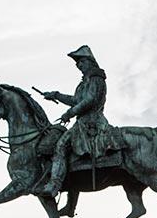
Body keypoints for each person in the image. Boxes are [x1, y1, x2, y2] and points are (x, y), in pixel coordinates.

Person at [40, 45, 111, 197]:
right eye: (78, 65)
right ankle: (70, 203)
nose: (79, 67)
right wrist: (56, 95)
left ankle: (54, 184)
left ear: (89, 62)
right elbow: (76, 100)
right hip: (83, 122)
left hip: (92, 121)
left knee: (60, 146)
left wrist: (70, 113)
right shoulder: (84, 82)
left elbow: (90, 100)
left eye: (81, 63)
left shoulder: (96, 78)